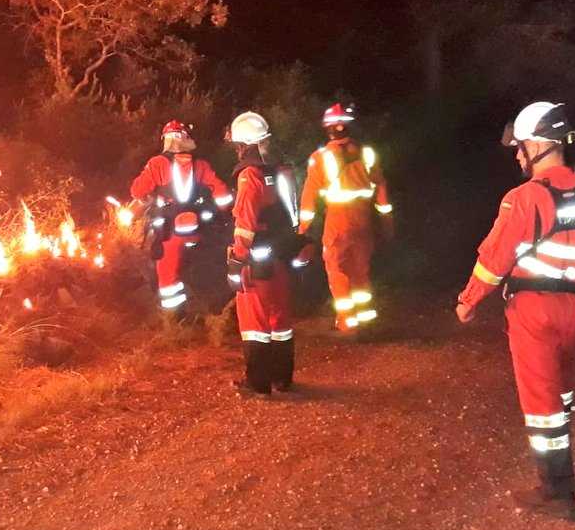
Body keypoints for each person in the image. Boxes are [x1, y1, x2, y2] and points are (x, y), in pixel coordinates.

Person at [456, 101, 575, 521]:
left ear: (537, 145)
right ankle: (563, 470)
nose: (516, 155)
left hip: (535, 312)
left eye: (520, 147)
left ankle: (557, 492)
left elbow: (495, 258)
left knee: (541, 399)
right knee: (562, 388)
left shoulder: (524, 198)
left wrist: (469, 300)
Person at [225, 111, 309, 395]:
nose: (236, 149)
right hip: (283, 258)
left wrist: (237, 259)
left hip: (257, 263)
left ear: (244, 145)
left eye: (237, 144)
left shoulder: (250, 176)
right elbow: (292, 216)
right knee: (280, 320)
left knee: (254, 324)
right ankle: (281, 378)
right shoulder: (281, 171)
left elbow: (245, 225)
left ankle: (258, 383)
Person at [298, 102, 393, 333]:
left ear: (327, 128)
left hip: (337, 222)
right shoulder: (367, 154)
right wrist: (387, 223)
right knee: (360, 269)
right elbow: (381, 189)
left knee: (337, 269)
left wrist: (302, 230)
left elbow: (309, 197)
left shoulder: (319, 158)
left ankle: (347, 321)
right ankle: (365, 318)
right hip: (364, 221)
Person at [130, 120, 233, 312]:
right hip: (198, 229)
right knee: (204, 269)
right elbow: (222, 194)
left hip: (169, 233)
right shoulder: (201, 165)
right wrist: (224, 213)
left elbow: (137, 191)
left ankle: (176, 319)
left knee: (167, 275)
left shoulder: (158, 164)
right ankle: (210, 310)